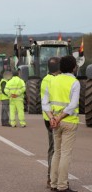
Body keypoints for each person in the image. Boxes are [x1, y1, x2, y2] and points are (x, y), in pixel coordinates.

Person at [42, 55, 80, 192]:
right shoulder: (75, 82)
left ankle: (53, 184)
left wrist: (52, 118)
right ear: (74, 67)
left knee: (56, 153)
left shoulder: (52, 81)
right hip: (69, 122)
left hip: (55, 122)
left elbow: (45, 103)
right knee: (65, 154)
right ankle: (62, 186)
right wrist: (59, 118)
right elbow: (73, 105)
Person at [40, 57, 60, 188]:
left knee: (54, 148)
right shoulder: (54, 80)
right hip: (54, 118)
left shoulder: (45, 79)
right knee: (56, 149)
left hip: (48, 118)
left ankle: (52, 177)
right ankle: (52, 178)